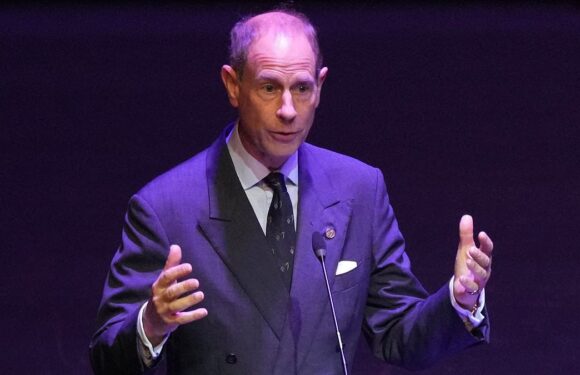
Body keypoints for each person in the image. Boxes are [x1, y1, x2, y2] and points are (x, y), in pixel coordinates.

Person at [90, 8, 494, 375]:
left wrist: (459, 300)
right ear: (233, 85)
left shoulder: (359, 189)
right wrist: (152, 323)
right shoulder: (166, 208)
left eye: (301, 88)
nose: (288, 110)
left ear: (320, 86)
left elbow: (398, 335)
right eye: (269, 88)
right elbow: (107, 358)